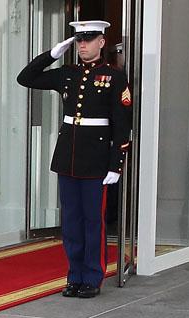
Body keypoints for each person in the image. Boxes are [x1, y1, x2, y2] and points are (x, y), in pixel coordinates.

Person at [17, 20, 132, 299]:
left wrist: (116, 164)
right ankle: (74, 275)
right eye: (79, 40)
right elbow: (25, 78)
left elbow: (122, 123)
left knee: (93, 221)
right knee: (71, 223)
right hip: (68, 158)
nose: (82, 45)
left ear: (101, 42)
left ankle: (92, 276)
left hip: (96, 161)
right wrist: (52, 54)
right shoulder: (67, 74)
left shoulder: (114, 77)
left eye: (88, 39)